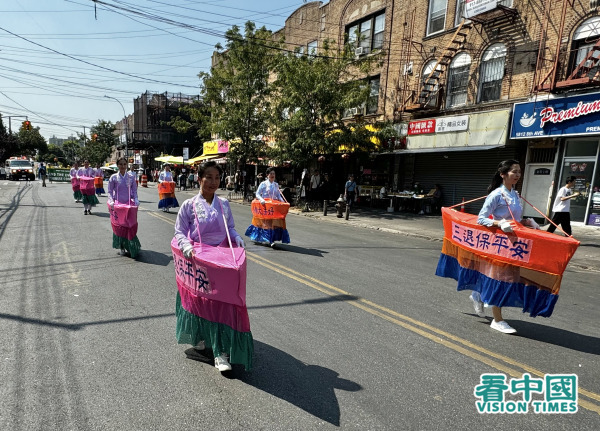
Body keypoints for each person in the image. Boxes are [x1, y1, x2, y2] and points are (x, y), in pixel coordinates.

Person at [174, 161, 252, 373]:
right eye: (209, 177)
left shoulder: (224, 204)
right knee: (202, 302)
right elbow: (179, 231)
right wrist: (186, 245)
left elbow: (231, 228)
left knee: (222, 305)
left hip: (222, 261)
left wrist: (236, 238)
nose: (213, 182)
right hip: (199, 259)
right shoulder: (188, 206)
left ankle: (221, 352)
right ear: (199, 178)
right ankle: (202, 336)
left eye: (217, 178)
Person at [471, 160, 540, 334]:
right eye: (514, 171)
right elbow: (481, 218)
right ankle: (497, 320)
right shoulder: (496, 195)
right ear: (503, 174)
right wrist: (498, 223)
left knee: (507, 278)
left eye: (519, 172)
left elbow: (515, 220)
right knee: (500, 280)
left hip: (513, 244)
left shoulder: (515, 194)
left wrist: (527, 222)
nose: (517, 175)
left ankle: (478, 294)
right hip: (499, 244)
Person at [245, 167, 290, 247]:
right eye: (271, 174)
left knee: (273, 224)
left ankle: (270, 239)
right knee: (267, 223)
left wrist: (282, 201)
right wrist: (262, 200)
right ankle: (270, 240)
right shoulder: (263, 184)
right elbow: (257, 194)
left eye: (273, 174)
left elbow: (278, 195)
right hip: (265, 206)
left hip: (274, 207)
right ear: (267, 175)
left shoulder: (276, 184)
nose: (272, 175)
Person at [107, 157, 141, 257]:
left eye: (124, 164)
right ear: (117, 165)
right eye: (120, 164)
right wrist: (111, 200)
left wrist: (136, 199)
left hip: (128, 205)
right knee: (120, 226)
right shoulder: (113, 177)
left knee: (129, 225)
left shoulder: (130, 177)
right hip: (118, 205)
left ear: (127, 165)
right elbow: (110, 191)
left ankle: (130, 246)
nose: (122, 166)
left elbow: (134, 190)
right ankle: (121, 246)